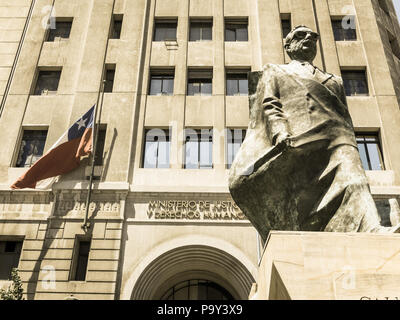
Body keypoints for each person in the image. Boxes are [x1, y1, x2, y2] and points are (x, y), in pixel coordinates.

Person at [229, 26, 400, 240]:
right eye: (301, 35)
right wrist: (279, 133)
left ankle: (371, 227)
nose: (309, 38)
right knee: (298, 196)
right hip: (299, 139)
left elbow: (344, 117)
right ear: (288, 45)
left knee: (354, 179)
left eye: (314, 36)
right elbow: (270, 104)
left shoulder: (334, 80)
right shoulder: (275, 71)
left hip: (336, 138)